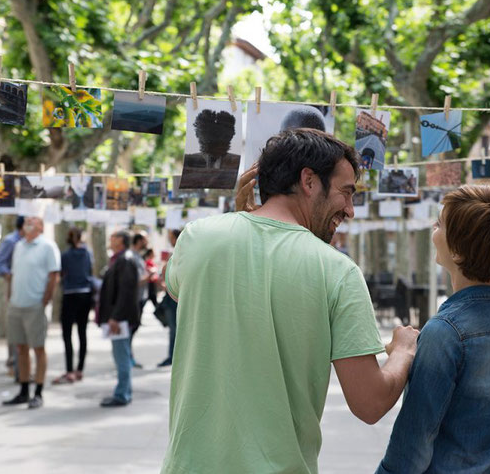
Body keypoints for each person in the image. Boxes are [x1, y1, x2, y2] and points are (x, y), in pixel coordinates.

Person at [161, 128, 418, 473]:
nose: (350, 210)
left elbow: (179, 291)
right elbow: (370, 403)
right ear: (309, 181)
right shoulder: (337, 270)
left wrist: (239, 220)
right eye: (346, 193)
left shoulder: (198, 237)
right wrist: (404, 351)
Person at [375, 185, 490, 474]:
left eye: (440, 224)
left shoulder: (445, 332)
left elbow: (413, 445)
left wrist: (407, 353)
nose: (433, 231)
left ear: (458, 251)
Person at [2, 217, 60, 410]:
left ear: (41, 226)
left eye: (32, 221)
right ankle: (24, 390)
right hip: (16, 304)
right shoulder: (18, 246)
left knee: (38, 348)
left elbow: (54, 275)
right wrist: (10, 296)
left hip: (35, 305)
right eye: (26, 221)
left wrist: (45, 300)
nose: (28, 223)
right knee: (20, 348)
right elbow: (14, 273)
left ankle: (39, 392)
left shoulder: (47, 247)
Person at [98, 230, 139, 407]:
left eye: (114, 237)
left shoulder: (125, 260)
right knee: (121, 355)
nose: (110, 239)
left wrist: (116, 317)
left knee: (121, 355)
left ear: (121, 240)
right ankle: (123, 391)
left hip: (120, 318)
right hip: (117, 317)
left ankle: (122, 394)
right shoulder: (120, 259)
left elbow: (126, 291)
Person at [52, 226, 93, 385]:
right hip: (85, 293)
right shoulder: (87, 253)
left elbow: (62, 273)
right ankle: (80, 369)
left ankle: (69, 370)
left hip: (70, 294)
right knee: (82, 332)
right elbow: (90, 270)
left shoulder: (65, 255)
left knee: (67, 334)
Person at [0, 216, 25, 380]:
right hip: (13, 287)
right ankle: (13, 363)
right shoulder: (11, 241)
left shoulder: (30, 243)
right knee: (14, 326)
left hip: (27, 288)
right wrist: (9, 275)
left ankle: (22, 366)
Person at [179, 109, 241, 189]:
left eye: (221, 142)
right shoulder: (189, 161)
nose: (217, 147)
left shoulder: (235, 161)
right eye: (211, 143)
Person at [156, 229, 181, 368]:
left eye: (171, 237)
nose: (170, 240)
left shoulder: (179, 253)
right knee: (173, 329)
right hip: (172, 297)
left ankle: (173, 357)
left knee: (174, 329)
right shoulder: (176, 253)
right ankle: (172, 356)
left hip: (174, 299)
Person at [128, 231, 149, 368]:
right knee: (130, 329)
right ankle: (128, 358)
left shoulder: (138, 257)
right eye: (145, 240)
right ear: (139, 240)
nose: (147, 243)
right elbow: (135, 281)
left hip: (140, 298)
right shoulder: (132, 258)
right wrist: (149, 276)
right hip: (135, 299)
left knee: (132, 329)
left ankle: (128, 356)